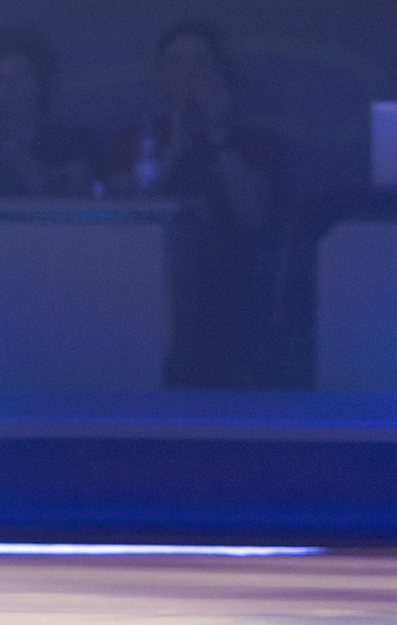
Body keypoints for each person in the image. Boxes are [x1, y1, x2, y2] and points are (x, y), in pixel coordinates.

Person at [107, 22, 284, 385]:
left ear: (220, 73)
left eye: (201, 62)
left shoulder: (251, 142)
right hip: (138, 288)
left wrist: (219, 134)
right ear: (159, 74)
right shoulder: (132, 140)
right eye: (176, 62)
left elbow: (255, 219)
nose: (188, 74)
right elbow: (128, 214)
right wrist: (174, 148)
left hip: (229, 295)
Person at [0, 25, 98, 197]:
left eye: (21, 76)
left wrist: (23, 162)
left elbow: (76, 211)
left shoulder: (73, 145)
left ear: (41, 82)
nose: (11, 89)